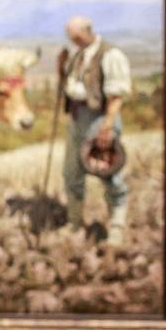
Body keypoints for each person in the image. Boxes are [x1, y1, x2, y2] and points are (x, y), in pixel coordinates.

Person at [60, 15, 132, 246]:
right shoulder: (78, 55)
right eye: (72, 38)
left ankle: (117, 229)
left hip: (100, 120)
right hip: (78, 119)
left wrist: (107, 126)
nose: (75, 42)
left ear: (89, 31)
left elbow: (116, 95)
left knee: (109, 174)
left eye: (78, 37)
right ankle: (75, 224)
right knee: (72, 173)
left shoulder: (111, 55)